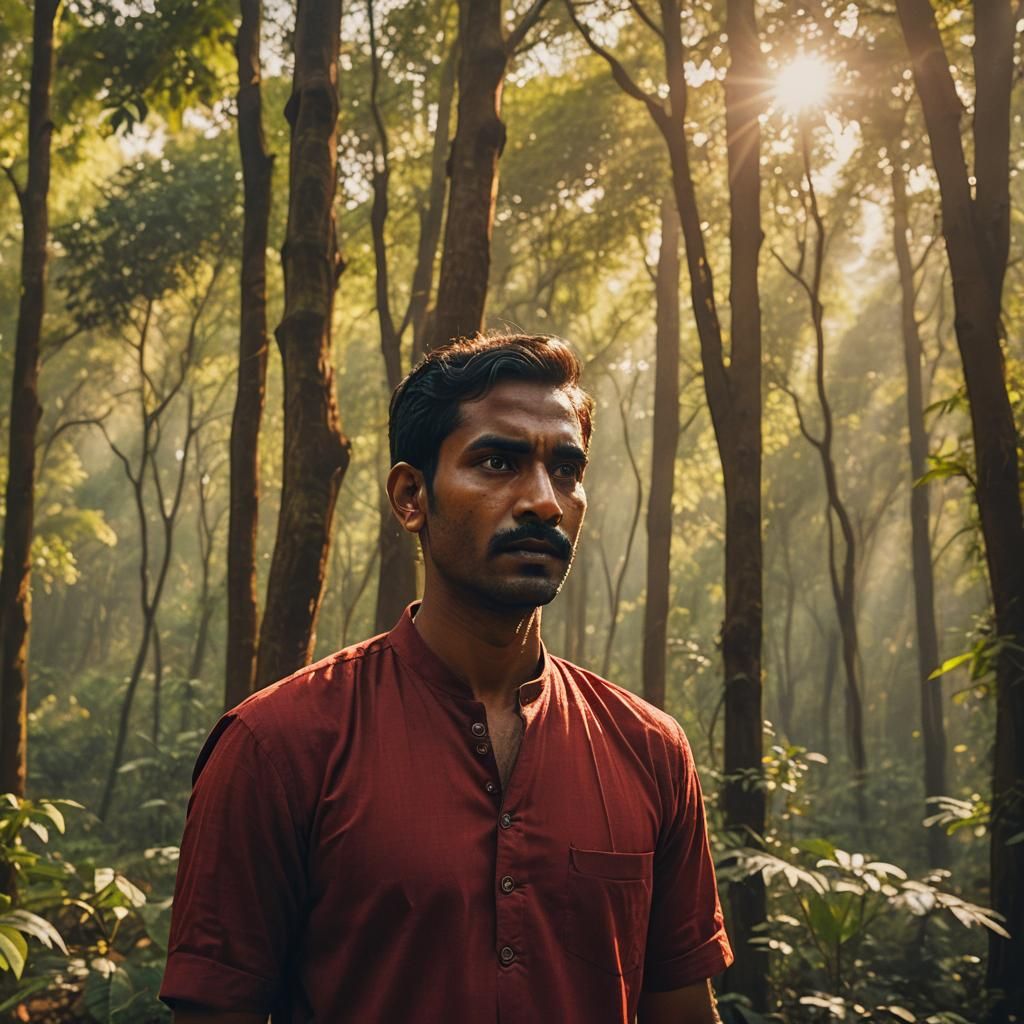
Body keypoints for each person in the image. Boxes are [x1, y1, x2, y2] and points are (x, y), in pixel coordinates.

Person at [159, 333, 733, 1024]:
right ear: (410, 497)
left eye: (567, 471)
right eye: (498, 462)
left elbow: (681, 1010)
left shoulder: (649, 749)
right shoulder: (277, 746)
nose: (544, 502)